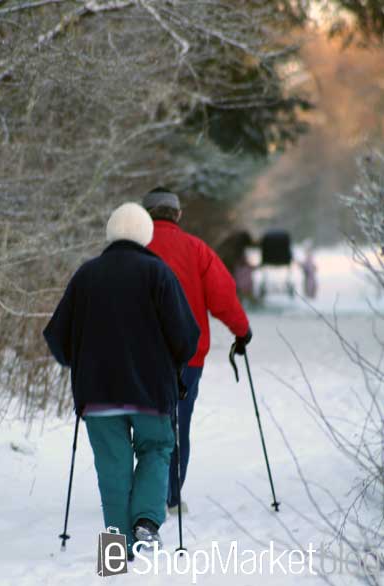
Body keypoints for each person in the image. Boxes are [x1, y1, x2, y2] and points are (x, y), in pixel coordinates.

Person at [43, 202, 200, 558]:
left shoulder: (87, 275)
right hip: (150, 392)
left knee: (112, 469)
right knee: (157, 448)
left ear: (111, 232)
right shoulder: (158, 274)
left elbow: (56, 335)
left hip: (98, 394)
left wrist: (78, 363)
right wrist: (173, 364)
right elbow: (186, 338)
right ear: (145, 235)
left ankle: (115, 550)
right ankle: (146, 520)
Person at [142, 187, 252, 513]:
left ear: (145, 214)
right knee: (177, 422)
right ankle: (170, 498)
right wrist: (241, 330)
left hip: (139, 357)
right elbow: (223, 295)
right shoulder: (197, 250)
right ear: (177, 214)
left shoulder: (133, 249)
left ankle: (144, 493)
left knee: (145, 422)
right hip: (186, 357)